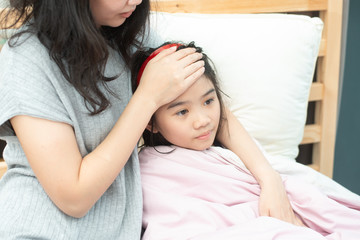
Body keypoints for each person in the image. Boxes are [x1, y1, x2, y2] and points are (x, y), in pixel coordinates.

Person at [0, 1, 206, 239]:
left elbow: (201, 91)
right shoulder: (25, 59)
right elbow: (74, 198)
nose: (136, 1)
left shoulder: (130, 33)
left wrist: (261, 176)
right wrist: (148, 97)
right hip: (39, 229)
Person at [133, 42, 360, 239]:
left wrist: (271, 183)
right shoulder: (151, 171)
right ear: (150, 122)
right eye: (182, 112)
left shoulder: (233, 151)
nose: (202, 121)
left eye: (208, 101)